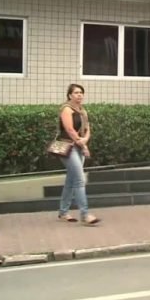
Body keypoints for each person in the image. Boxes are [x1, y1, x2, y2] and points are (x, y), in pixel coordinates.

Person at [57, 84, 100, 226]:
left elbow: (87, 129)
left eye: (81, 92)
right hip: (67, 147)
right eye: (76, 92)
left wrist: (85, 140)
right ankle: (85, 214)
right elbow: (69, 129)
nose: (79, 95)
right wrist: (83, 144)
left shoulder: (82, 110)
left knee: (71, 180)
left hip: (78, 146)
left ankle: (63, 212)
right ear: (70, 95)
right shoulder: (66, 109)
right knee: (80, 180)